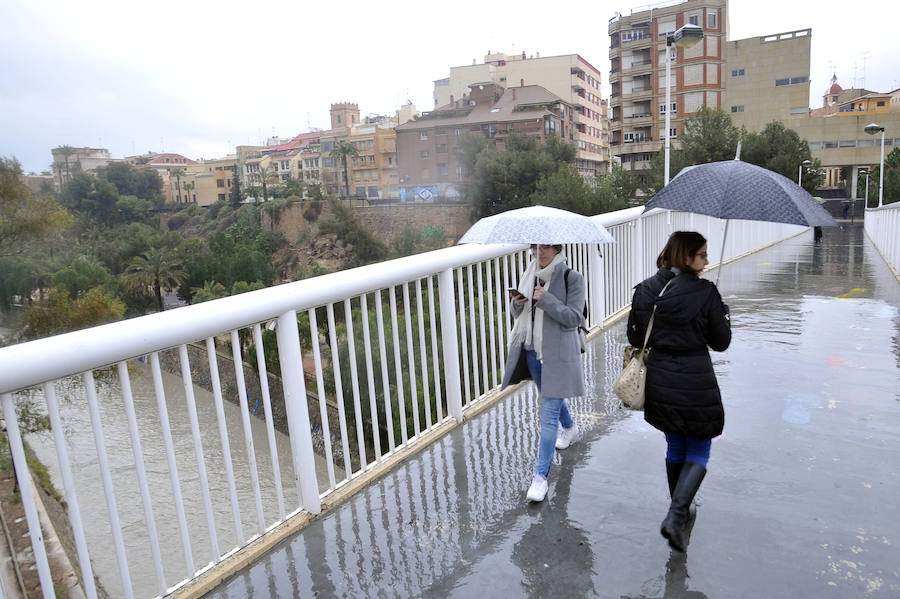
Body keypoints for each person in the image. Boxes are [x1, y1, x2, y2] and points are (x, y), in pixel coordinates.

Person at [627, 231, 731, 552]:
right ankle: (676, 514)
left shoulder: (644, 290)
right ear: (686, 258)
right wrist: (721, 310)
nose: (706, 261)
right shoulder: (705, 292)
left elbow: (634, 336)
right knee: (699, 449)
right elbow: (721, 341)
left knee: (675, 443)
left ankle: (679, 511)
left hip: (660, 382)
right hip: (695, 381)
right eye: (701, 255)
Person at [501, 243, 586, 503]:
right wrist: (518, 303)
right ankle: (570, 428)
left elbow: (574, 318)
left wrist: (545, 299)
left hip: (556, 355)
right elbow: (522, 315)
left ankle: (540, 477)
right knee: (549, 396)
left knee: (547, 415)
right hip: (531, 352)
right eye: (536, 248)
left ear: (558, 249)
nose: (540, 253)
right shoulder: (531, 274)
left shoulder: (573, 277)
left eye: (546, 248)